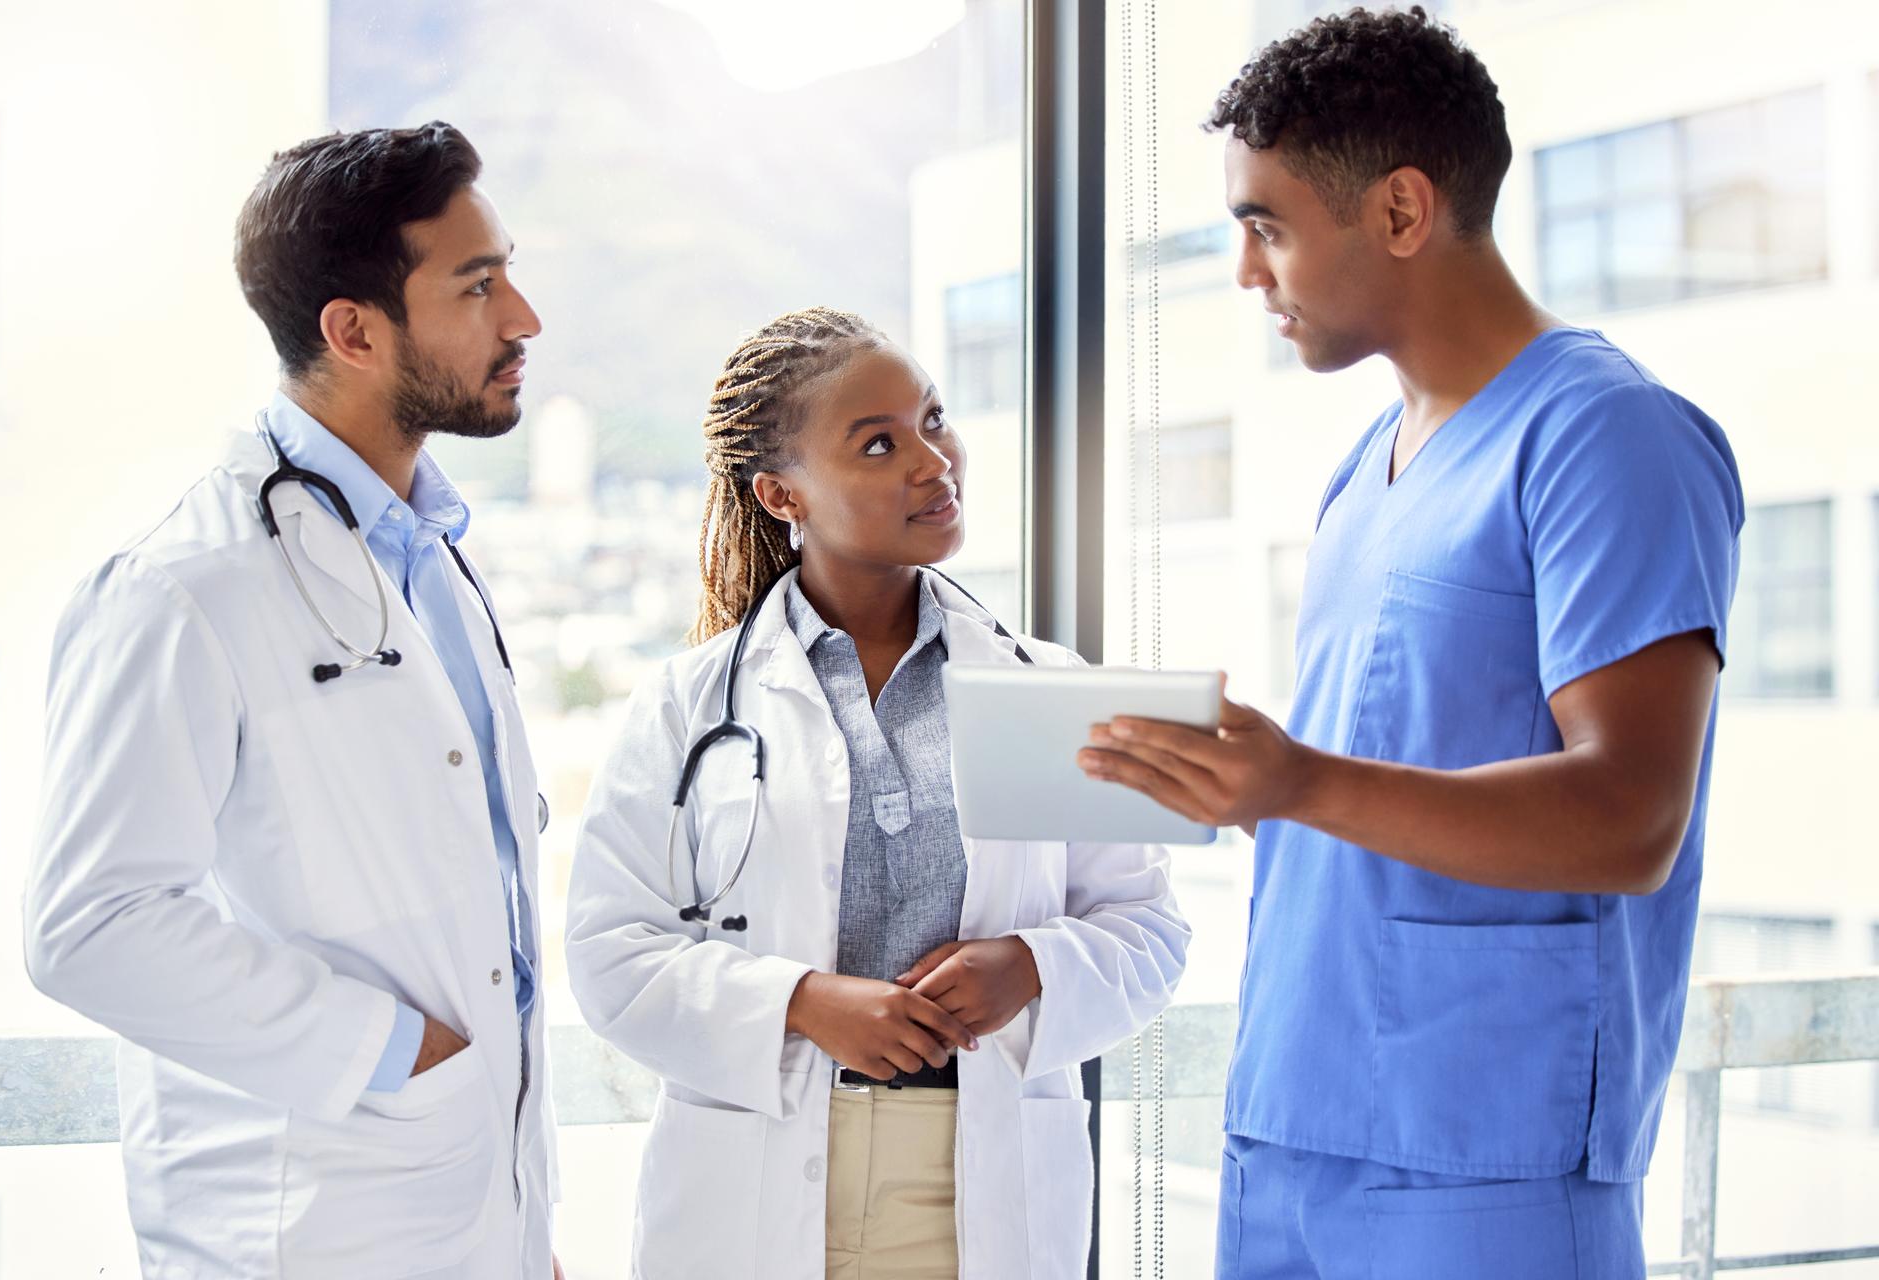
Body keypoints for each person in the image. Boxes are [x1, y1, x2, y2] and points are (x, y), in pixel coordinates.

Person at [1079, 9, 1743, 1277]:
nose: (1245, 273)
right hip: (1290, 1125)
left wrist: (1300, 782)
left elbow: (1632, 815)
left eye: (1266, 225)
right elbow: (1374, 781)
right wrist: (1236, 785)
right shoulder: (1361, 474)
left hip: (1480, 1152)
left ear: (1398, 211)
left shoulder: (1609, 438)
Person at [24, 122, 563, 1279]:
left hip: (476, 1218)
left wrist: (523, 1230)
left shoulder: (434, 564)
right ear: (353, 329)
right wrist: (395, 1053)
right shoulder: (182, 586)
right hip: (305, 1226)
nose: (522, 318)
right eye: (478, 285)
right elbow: (90, 926)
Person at [564, 306, 1190, 1279]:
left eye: (934, 419)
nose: (933, 460)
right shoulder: (687, 707)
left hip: (975, 1186)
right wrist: (803, 1002)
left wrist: (1028, 964)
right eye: (879, 442)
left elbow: (1149, 929)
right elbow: (611, 953)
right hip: (755, 1190)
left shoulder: (1045, 685)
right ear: (782, 492)